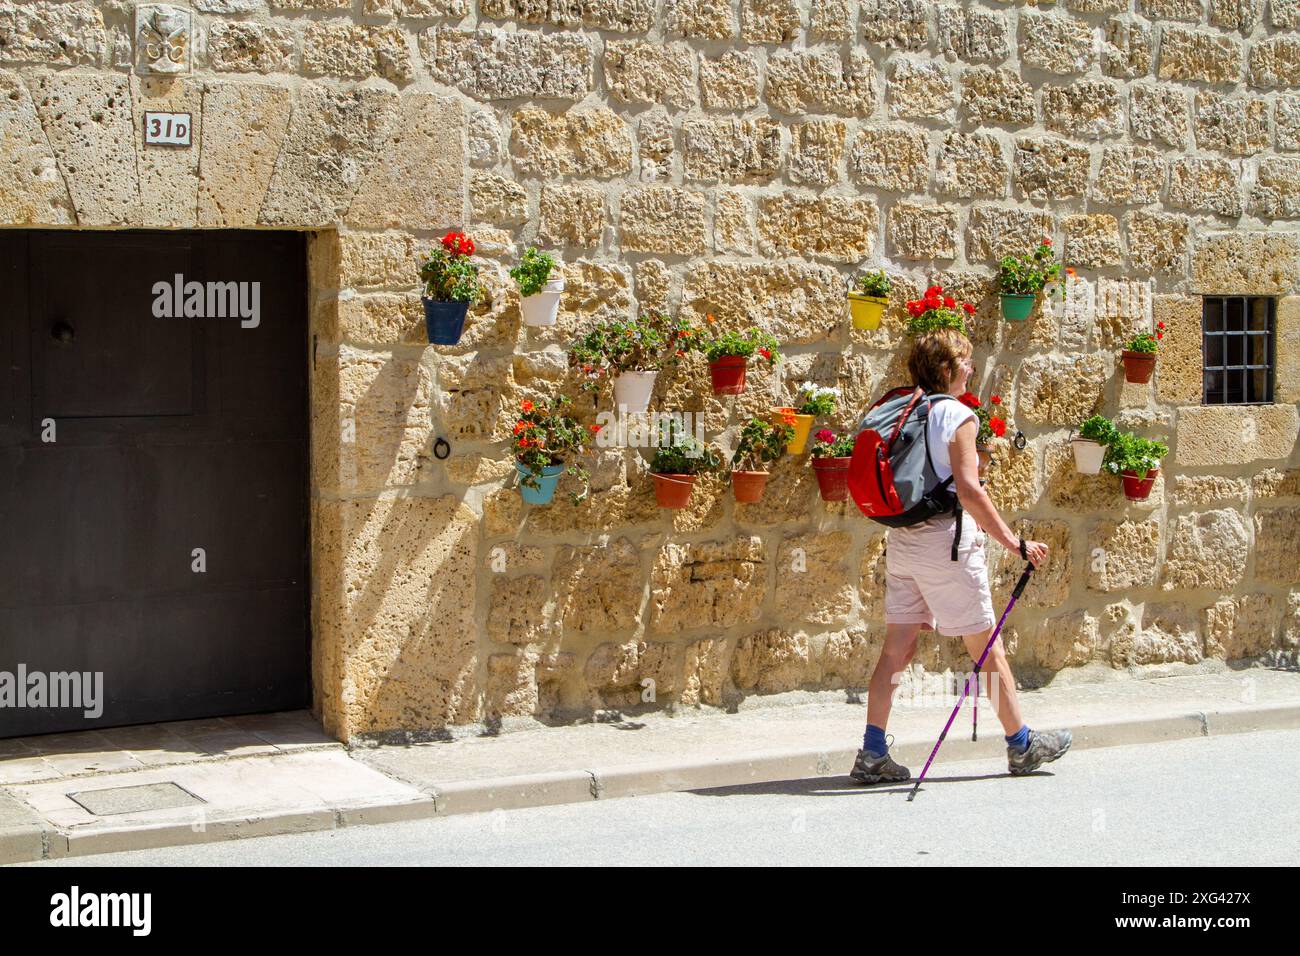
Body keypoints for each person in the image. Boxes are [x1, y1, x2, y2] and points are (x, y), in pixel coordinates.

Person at [850, 328, 1072, 784]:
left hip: (904, 543)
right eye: (965, 361)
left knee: (896, 650)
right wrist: (1015, 543)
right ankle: (1021, 746)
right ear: (947, 369)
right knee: (989, 651)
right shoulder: (957, 415)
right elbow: (970, 491)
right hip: (946, 547)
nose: (971, 368)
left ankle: (872, 753)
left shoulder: (908, 408)